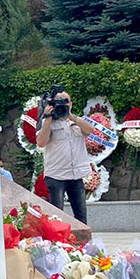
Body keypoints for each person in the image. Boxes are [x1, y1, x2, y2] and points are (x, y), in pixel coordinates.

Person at [34, 91, 95, 224]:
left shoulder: (76, 121)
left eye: (66, 101)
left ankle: (83, 243)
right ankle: (58, 242)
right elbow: (41, 142)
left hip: (76, 175)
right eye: (59, 101)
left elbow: (90, 130)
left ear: (71, 103)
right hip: (56, 176)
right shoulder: (47, 122)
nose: (63, 104)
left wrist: (71, 117)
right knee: (57, 215)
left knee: (81, 214)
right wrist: (48, 119)